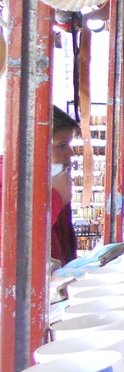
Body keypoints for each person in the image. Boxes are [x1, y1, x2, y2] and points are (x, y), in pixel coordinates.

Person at [0, 107, 80, 267]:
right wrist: (56, 198)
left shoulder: (47, 180)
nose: (70, 153)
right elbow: (16, 244)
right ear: (33, 144)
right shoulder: (8, 183)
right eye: (62, 145)